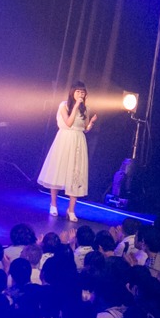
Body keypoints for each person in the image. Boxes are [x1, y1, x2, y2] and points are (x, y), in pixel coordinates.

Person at [38, 80, 96, 222]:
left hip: (78, 140)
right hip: (65, 139)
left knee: (75, 174)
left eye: (83, 92)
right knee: (58, 171)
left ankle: (71, 210)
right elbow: (69, 123)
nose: (81, 94)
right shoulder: (64, 106)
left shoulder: (86, 109)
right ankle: (53, 204)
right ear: (72, 93)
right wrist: (76, 106)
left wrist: (91, 123)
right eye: (78, 92)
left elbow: (84, 128)